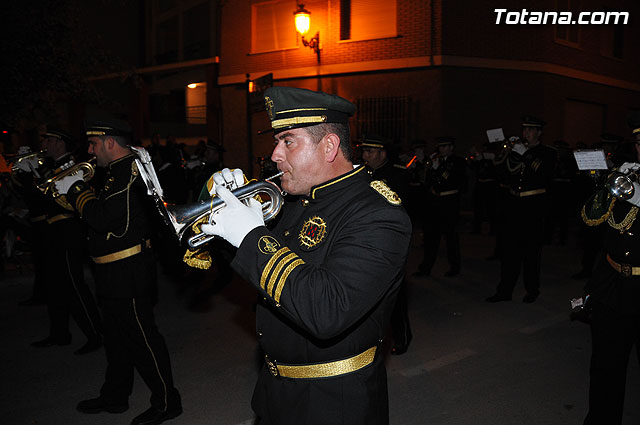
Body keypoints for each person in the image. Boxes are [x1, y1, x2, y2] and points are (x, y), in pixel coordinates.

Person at [201, 86, 412, 425]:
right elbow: (266, 273)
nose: (274, 155)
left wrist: (250, 235)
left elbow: (327, 310)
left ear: (329, 146)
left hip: (334, 403)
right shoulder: (300, 200)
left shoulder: (378, 214)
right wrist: (225, 220)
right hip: (277, 391)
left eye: (288, 141)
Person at [54, 121, 182, 425]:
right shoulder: (116, 172)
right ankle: (114, 396)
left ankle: (167, 401)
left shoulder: (128, 172)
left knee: (142, 337)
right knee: (116, 340)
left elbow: (105, 219)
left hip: (128, 270)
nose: (89, 150)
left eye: (93, 144)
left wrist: (75, 188)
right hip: (113, 270)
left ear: (110, 143)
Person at [15, 130, 102, 354]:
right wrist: (27, 175)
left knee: (74, 284)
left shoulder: (70, 166)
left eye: (50, 140)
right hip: (52, 231)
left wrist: (35, 177)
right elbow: (33, 200)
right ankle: (59, 333)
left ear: (61, 144)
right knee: (54, 285)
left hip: (68, 230)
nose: (45, 144)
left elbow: (56, 200)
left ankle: (96, 334)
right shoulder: (48, 167)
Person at [580, 112, 640, 425]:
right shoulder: (628, 177)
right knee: (605, 368)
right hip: (612, 285)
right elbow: (590, 217)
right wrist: (611, 186)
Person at [486, 116, 557, 303]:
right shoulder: (515, 151)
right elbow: (501, 174)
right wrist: (502, 154)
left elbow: (544, 173)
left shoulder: (547, 152)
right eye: (525, 130)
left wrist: (525, 153)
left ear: (539, 132)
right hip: (513, 206)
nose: (526, 133)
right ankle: (504, 291)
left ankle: (532, 289)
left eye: (531, 130)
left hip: (533, 207)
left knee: (531, 252)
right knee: (509, 251)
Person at [359, 134, 412, 355]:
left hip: (389, 239)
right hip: (366, 238)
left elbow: (401, 209)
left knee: (394, 294)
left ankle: (402, 337)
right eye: (364, 151)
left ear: (382, 154)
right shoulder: (362, 173)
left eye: (369, 152)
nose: (364, 156)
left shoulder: (397, 174)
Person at [416, 136, 467, 277]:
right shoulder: (435, 161)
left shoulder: (458, 162)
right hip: (434, 202)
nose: (442, 149)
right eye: (440, 147)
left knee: (450, 238)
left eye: (445, 147)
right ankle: (425, 268)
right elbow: (426, 181)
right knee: (431, 238)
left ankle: (454, 267)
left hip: (449, 202)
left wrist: (437, 168)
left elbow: (452, 180)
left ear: (451, 148)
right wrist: (425, 166)